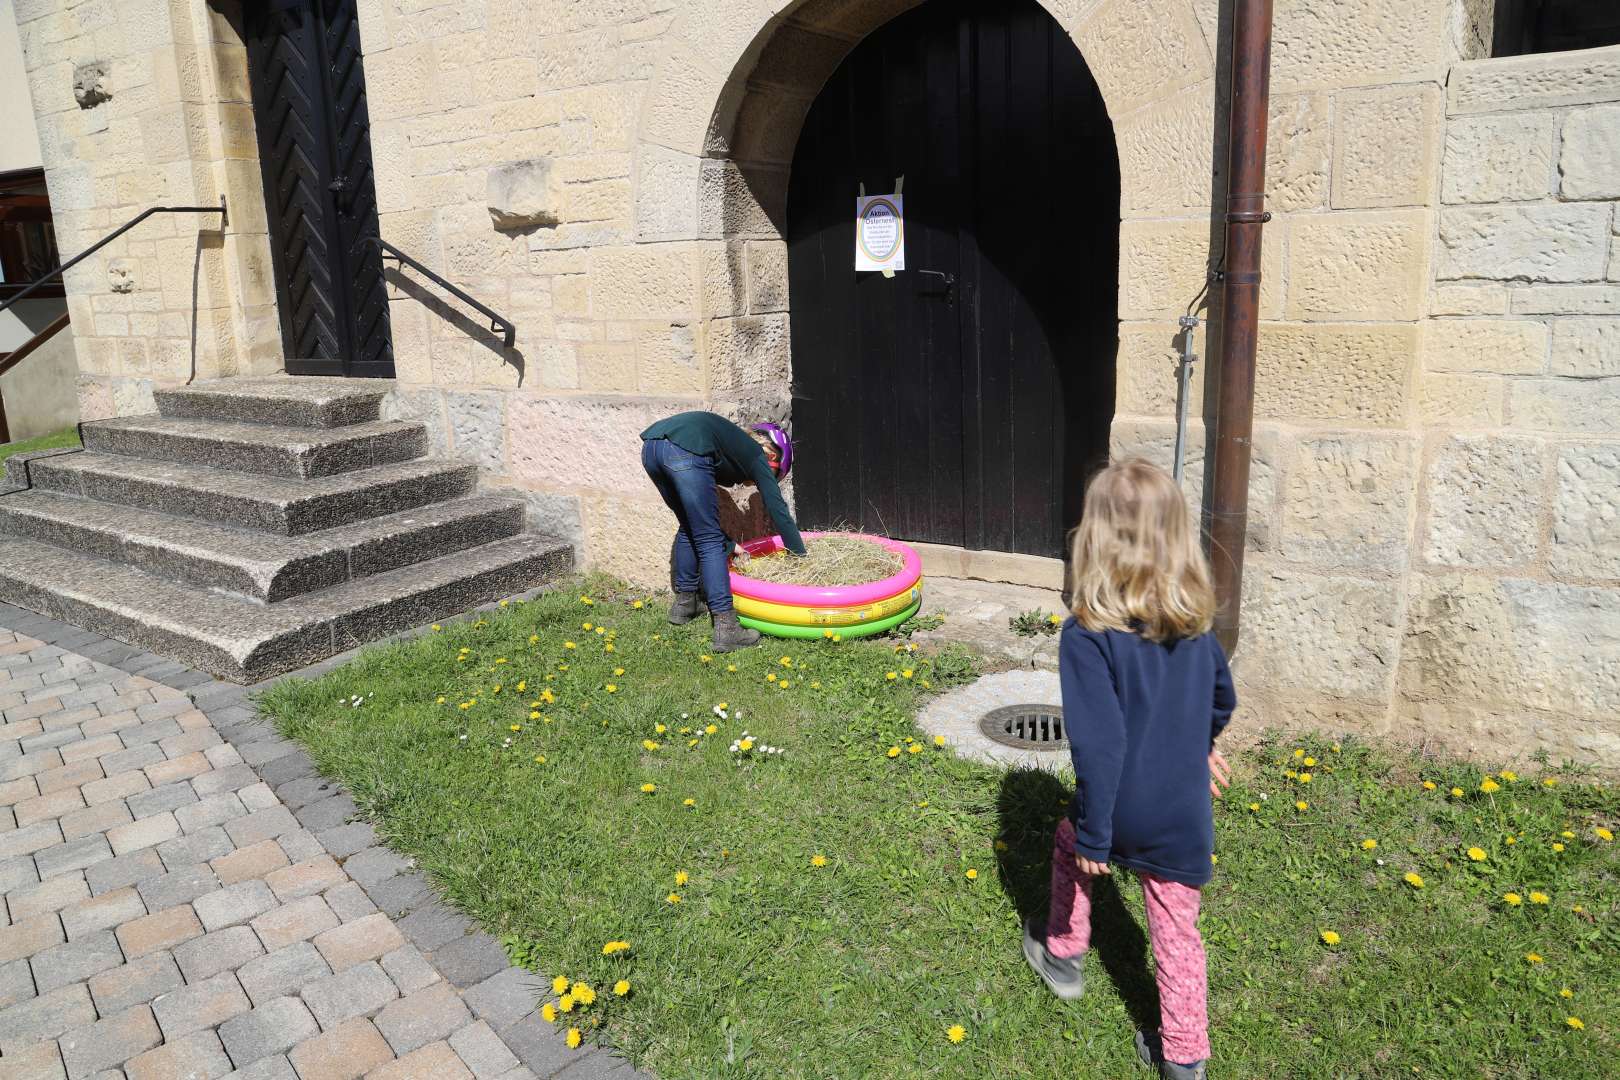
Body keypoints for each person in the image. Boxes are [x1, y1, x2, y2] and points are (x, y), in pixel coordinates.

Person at [1022, 459, 1235, 1080]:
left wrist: (1095, 832)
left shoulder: (1087, 636)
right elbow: (1221, 701)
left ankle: (1062, 951)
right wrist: (1200, 746)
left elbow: (1100, 745)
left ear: (1093, 541)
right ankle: (1185, 1057)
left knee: (1069, 846)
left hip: (1119, 807)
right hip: (1182, 809)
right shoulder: (1197, 631)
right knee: (1176, 932)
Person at [640, 411, 807, 652]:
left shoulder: (732, 448)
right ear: (772, 455)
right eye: (774, 476)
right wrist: (800, 556)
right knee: (707, 539)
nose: (763, 482)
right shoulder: (757, 455)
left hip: (652, 449)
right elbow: (777, 508)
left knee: (689, 525)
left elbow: (699, 521)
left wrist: (731, 545)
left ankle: (685, 604)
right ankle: (727, 627)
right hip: (684, 445)